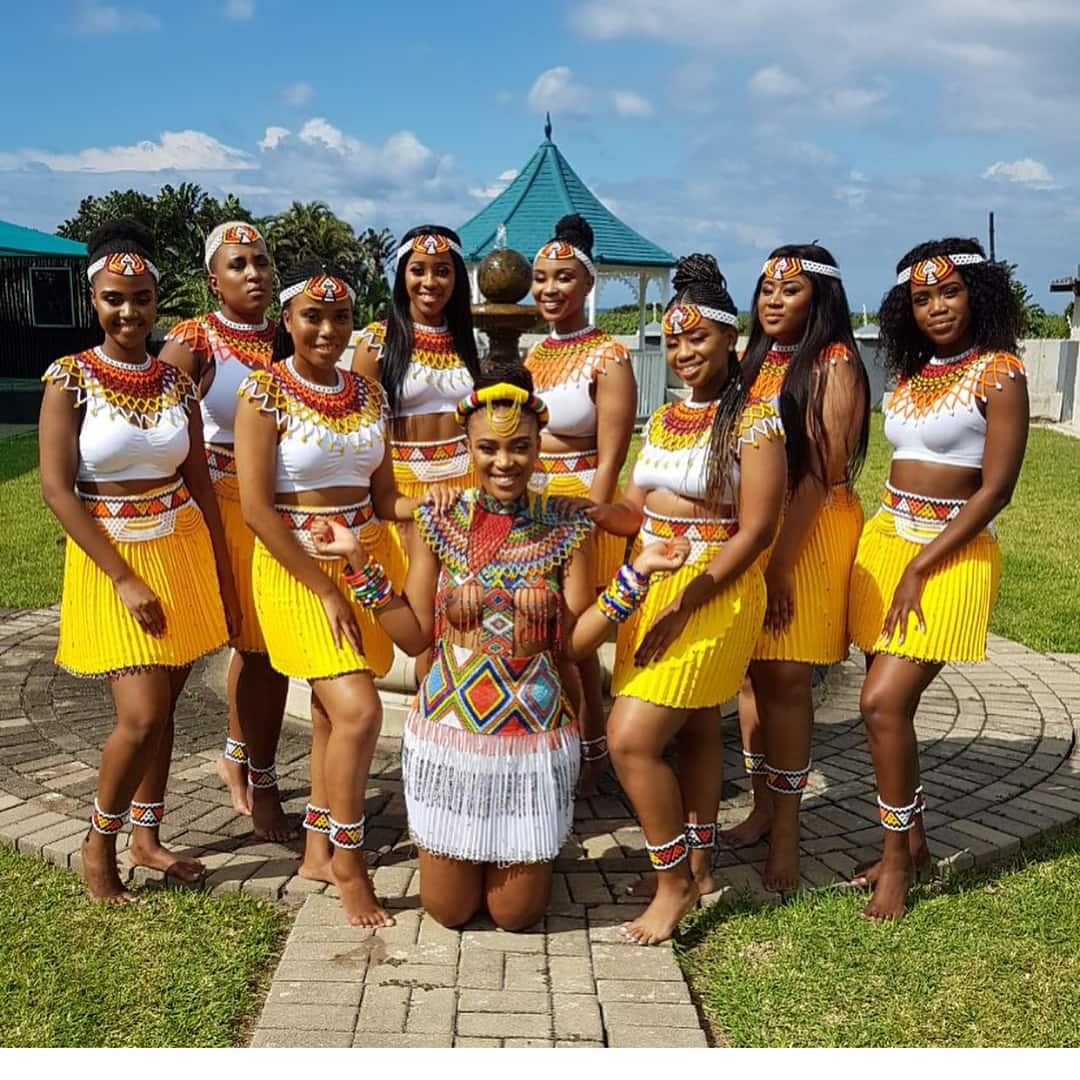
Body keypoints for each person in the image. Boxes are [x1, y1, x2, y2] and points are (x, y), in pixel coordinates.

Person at [311, 368, 688, 930]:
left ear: (539, 448)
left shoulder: (565, 526)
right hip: (452, 737)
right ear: (467, 447)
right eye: (488, 448)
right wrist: (359, 564)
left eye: (519, 447)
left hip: (530, 743)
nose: (504, 462)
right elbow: (414, 635)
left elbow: (574, 644)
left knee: (516, 915)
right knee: (449, 911)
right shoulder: (439, 521)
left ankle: (525, 850)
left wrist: (636, 576)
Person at [234, 259, 441, 927]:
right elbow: (258, 508)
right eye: (312, 316)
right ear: (287, 321)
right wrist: (322, 586)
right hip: (298, 566)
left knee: (331, 715)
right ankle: (350, 865)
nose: (327, 328)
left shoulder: (368, 394)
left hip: (364, 555)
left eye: (340, 316)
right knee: (357, 712)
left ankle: (319, 851)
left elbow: (382, 498)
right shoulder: (263, 392)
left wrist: (438, 509)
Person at [588, 254, 788, 944]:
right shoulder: (667, 416)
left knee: (630, 739)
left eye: (696, 338)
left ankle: (672, 882)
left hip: (715, 589)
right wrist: (583, 511)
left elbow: (757, 528)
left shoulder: (755, 421)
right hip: (655, 577)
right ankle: (698, 867)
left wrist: (687, 599)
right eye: (673, 341)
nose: (682, 352)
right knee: (699, 730)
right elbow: (636, 509)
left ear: (730, 340)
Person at [38, 220, 236, 902]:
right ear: (94, 300)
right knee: (142, 715)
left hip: (179, 547)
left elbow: (201, 486)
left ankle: (147, 838)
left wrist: (222, 571)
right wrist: (121, 577)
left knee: (168, 707)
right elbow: (57, 491)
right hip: (111, 559)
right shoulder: (70, 379)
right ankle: (99, 842)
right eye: (115, 298)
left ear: (157, 300)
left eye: (142, 298)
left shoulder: (175, 384)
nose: (130, 312)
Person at [848, 238, 1027, 920]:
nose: (936, 307)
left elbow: (997, 489)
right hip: (887, 540)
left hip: (950, 552)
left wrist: (923, 564)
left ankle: (897, 862)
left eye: (948, 292)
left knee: (881, 703)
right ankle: (912, 844)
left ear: (976, 295)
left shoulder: (1001, 372)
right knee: (883, 705)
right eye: (922, 298)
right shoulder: (910, 370)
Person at [721, 245, 870, 893]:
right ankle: (761, 808)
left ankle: (787, 835)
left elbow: (821, 472)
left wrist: (780, 565)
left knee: (784, 680)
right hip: (758, 530)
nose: (773, 301)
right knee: (751, 676)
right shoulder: (757, 360)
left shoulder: (834, 364)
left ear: (821, 299)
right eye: (766, 291)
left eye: (790, 291)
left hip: (806, 534)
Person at [159, 221, 294, 841]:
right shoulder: (196, 339)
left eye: (262, 262)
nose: (255, 274)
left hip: (272, 505)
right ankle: (144, 818)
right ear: (214, 279)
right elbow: (153, 427)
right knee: (183, 656)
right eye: (238, 265)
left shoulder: (292, 333)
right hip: (206, 503)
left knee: (265, 647)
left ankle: (252, 772)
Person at [527, 213, 638, 793]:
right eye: (541, 277)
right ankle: (554, 740)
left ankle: (592, 749)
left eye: (563, 278)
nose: (550, 289)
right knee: (538, 633)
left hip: (577, 506)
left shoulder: (609, 357)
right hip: (531, 504)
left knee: (575, 639)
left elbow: (611, 456)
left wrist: (589, 524)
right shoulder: (534, 354)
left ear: (587, 284)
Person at [350, 225, 482, 547]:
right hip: (399, 488)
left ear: (456, 278)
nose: (430, 282)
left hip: (465, 486)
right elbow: (360, 434)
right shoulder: (377, 342)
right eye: (417, 270)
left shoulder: (467, 341)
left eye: (442, 271)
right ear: (401, 277)